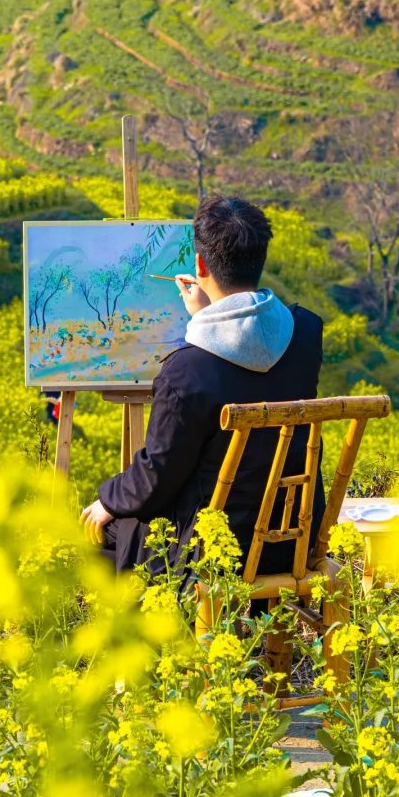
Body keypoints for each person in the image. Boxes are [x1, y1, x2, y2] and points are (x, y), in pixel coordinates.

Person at [80, 194, 324, 577]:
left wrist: (107, 500)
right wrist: (210, 314)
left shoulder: (186, 371)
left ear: (199, 264)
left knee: (97, 536)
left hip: (211, 551)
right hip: (290, 538)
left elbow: (157, 475)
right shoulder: (307, 334)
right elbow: (251, 348)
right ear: (261, 258)